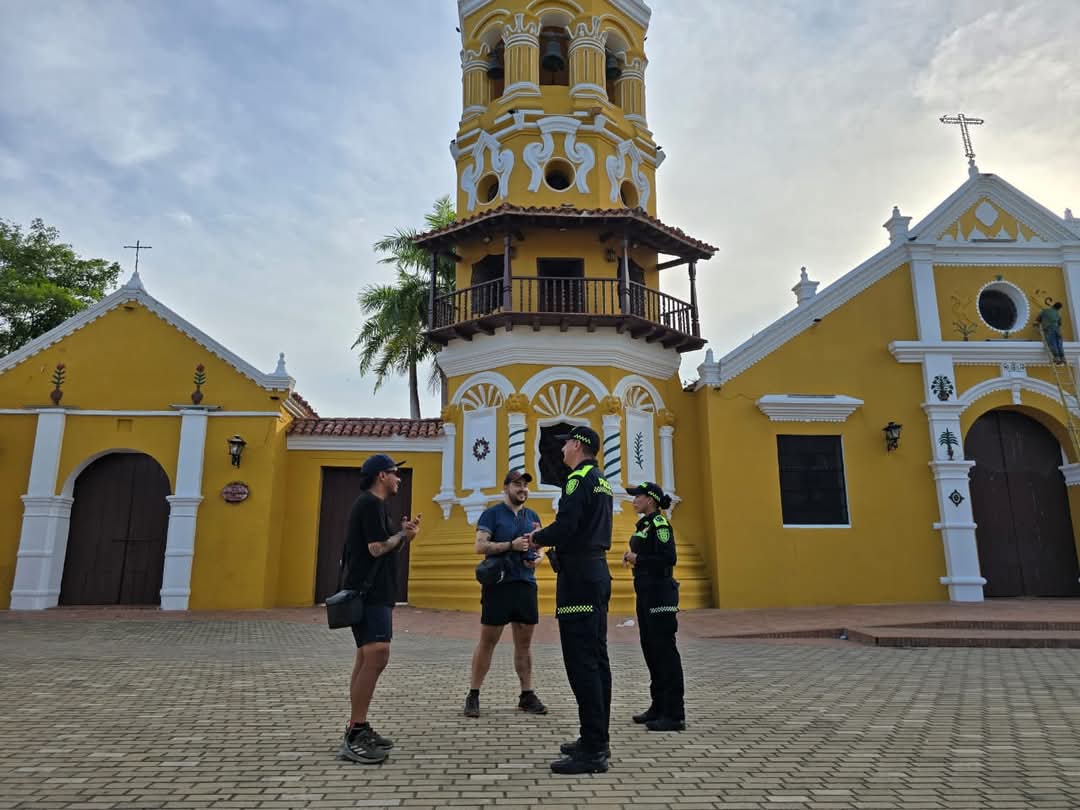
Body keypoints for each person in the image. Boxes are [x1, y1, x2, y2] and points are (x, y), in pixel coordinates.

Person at [528, 425, 613, 775]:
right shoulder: (603, 481)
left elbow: (567, 527)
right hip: (595, 572)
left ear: (577, 445)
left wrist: (536, 538)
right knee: (597, 658)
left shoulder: (577, 480)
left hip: (578, 579)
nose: (561, 450)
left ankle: (593, 750)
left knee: (582, 663)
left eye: (565, 445)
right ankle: (596, 738)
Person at [337, 453, 421, 765]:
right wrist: (402, 535)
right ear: (381, 476)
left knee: (366, 656)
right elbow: (376, 548)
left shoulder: (377, 507)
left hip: (376, 593)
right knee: (376, 655)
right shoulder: (370, 504)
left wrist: (403, 536)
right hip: (370, 594)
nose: (399, 478)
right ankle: (355, 733)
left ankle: (357, 725)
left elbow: (384, 547)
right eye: (395, 473)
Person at [464, 470, 548, 718]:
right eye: (517, 485)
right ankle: (474, 693)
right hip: (499, 585)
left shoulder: (532, 516)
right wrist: (510, 546)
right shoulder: (492, 514)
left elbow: (541, 547)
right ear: (506, 488)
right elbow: (480, 545)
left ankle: (526, 694)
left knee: (524, 643)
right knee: (488, 640)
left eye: (525, 485)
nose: (522, 489)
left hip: (525, 583)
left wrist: (539, 559)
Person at [623, 481, 685, 732]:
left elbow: (668, 558)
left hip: (660, 595)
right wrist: (632, 557)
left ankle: (674, 713)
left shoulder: (660, 524)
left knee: (665, 653)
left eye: (637, 496)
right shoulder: (645, 525)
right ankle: (658, 706)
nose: (633, 500)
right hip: (646, 594)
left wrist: (639, 559)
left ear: (650, 499)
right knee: (651, 650)